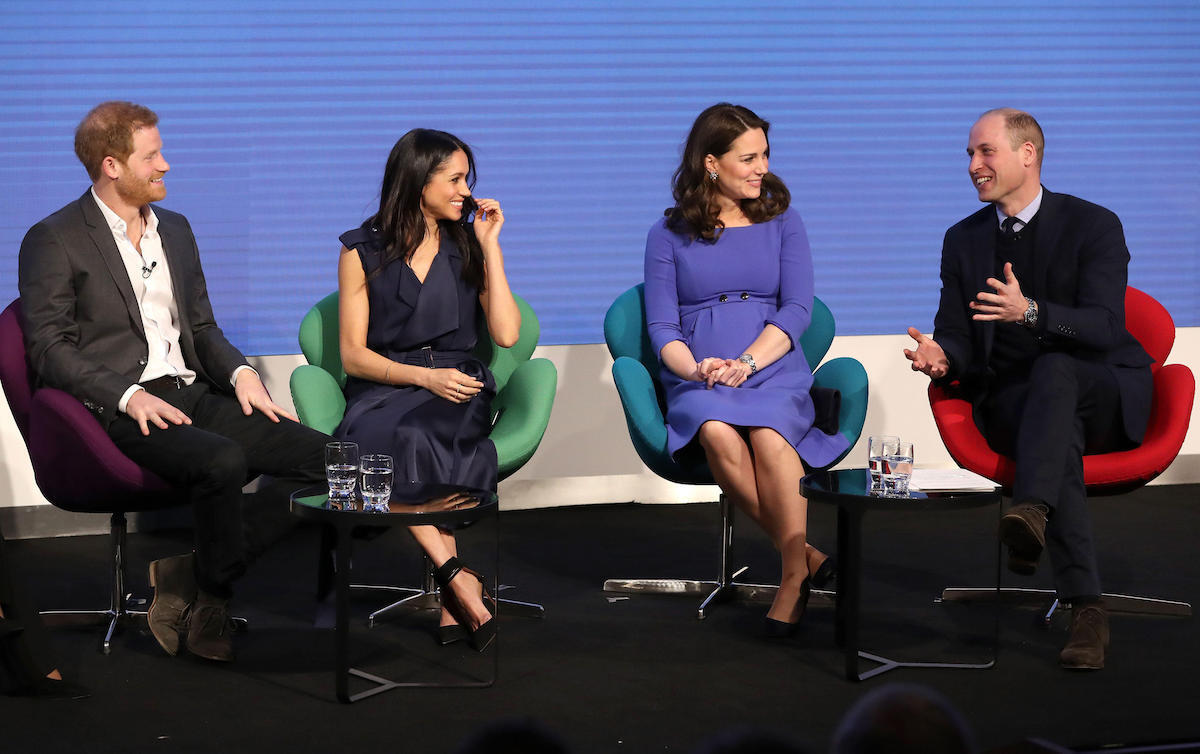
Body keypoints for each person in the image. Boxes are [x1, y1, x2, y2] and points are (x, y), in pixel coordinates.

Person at [17, 101, 329, 663]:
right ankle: (214, 598)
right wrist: (127, 394)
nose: (166, 165)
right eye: (152, 155)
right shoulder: (54, 238)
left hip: (189, 392)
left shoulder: (176, 231)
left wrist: (240, 374)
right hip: (117, 407)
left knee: (331, 462)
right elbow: (48, 350)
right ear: (112, 165)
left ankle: (195, 573)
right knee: (222, 462)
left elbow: (202, 327)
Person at [903, 108, 1153, 670]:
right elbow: (957, 331)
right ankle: (1085, 604)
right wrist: (943, 358)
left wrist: (1032, 313)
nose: (973, 166)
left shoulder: (1093, 225)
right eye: (969, 154)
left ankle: (1034, 513)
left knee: (1057, 373)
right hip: (1015, 402)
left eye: (985, 152)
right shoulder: (962, 239)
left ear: (1027, 154)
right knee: (1052, 427)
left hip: (1102, 391)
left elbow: (1106, 327)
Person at [643, 103, 847, 637]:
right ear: (711, 163)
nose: (762, 168)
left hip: (772, 365)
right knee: (714, 430)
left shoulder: (784, 220)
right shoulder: (667, 234)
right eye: (748, 157)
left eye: (765, 155)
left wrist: (749, 361)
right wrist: (699, 369)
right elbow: (663, 328)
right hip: (701, 372)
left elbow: (797, 309)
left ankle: (790, 575)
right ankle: (804, 556)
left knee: (770, 435)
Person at [335, 129, 520, 652]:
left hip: (457, 381)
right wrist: (420, 376)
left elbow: (505, 333)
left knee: (415, 433)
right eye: (455, 179)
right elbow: (353, 354)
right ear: (418, 180)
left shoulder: (467, 243)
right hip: (386, 381)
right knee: (365, 438)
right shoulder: (361, 249)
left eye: (468, 179)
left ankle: (454, 588)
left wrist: (491, 247)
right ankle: (457, 578)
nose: (466, 190)